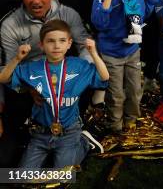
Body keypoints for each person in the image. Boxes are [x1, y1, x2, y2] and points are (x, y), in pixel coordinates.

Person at [0, 19, 108, 167]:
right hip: (40, 133)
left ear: (69, 43)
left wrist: (94, 53)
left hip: (69, 132)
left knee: (61, 178)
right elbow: (3, 78)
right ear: (42, 45)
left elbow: (104, 77)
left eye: (62, 40)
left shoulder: (79, 66)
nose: (57, 46)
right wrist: (18, 58)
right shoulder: (33, 68)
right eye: (50, 41)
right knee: (22, 178)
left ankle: (85, 143)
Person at [91, 0, 158, 132]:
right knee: (116, 93)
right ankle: (115, 125)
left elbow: (141, 17)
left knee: (135, 89)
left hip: (132, 50)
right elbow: (99, 24)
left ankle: (131, 121)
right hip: (111, 52)